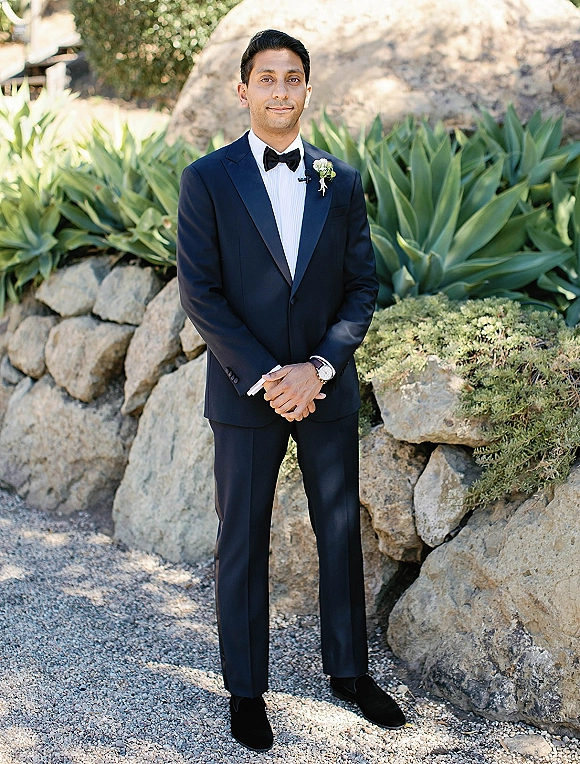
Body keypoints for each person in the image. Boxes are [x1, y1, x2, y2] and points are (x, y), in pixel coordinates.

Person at [176, 28, 406, 752]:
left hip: (326, 389)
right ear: (243, 90)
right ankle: (246, 691)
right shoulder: (207, 179)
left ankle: (348, 673)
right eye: (267, 78)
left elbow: (362, 287)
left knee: (339, 531)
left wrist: (321, 368)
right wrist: (271, 376)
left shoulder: (341, 180)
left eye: (293, 78)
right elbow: (202, 294)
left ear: (308, 88)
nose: (281, 90)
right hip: (247, 392)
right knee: (242, 539)